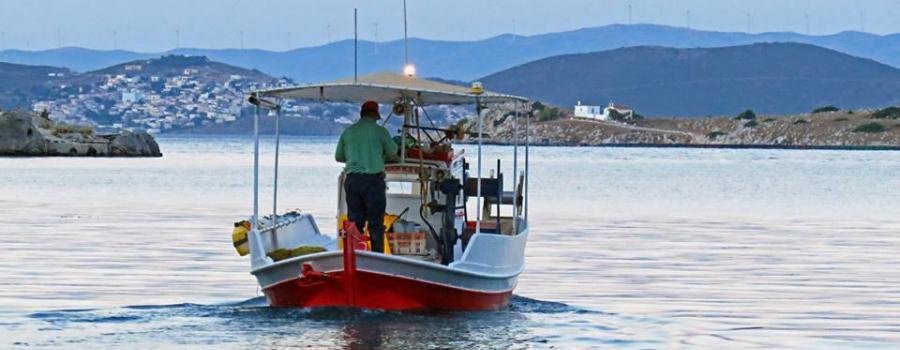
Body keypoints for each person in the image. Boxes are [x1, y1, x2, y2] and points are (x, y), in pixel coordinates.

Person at [335, 101, 399, 253]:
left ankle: (354, 256)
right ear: (376, 115)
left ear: (361, 114)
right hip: (373, 182)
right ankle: (377, 259)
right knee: (376, 223)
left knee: (355, 223)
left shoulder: (348, 131)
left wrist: (355, 157)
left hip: (352, 181)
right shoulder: (380, 131)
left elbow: (339, 156)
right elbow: (392, 152)